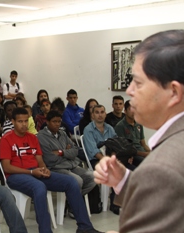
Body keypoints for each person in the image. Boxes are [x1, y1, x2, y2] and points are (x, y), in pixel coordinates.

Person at [94, 30, 184, 232]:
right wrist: (126, 181)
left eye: (138, 82)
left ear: (174, 92)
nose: (129, 90)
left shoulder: (161, 169)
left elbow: (165, 180)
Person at [0, 107, 101, 233]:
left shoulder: (32, 138)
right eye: (20, 121)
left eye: (26, 121)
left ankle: (85, 227)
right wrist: (31, 172)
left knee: (71, 182)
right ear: (13, 122)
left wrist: (44, 169)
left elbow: (39, 159)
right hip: (16, 175)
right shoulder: (6, 139)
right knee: (39, 187)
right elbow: (6, 167)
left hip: (36, 172)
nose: (24, 124)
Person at [37, 110, 96, 196]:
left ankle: (72, 201)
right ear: (47, 122)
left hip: (72, 165)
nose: (57, 124)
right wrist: (68, 152)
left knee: (93, 177)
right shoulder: (41, 137)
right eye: (54, 121)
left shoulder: (62, 133)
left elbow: (75, 150)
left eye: (59, 121)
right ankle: (75, 202)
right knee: (77, 181)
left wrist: (61, 152)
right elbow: (50, 159)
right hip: (56, 168)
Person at [114, 100, 150, 166]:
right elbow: (124, 149)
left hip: (142, 152)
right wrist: (144, 154)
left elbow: (143, 144)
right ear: (125, 111)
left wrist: (151, 152)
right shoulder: (120, 126)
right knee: (147, 164)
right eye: (130, 109)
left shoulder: (139, 124)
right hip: (132, 155)